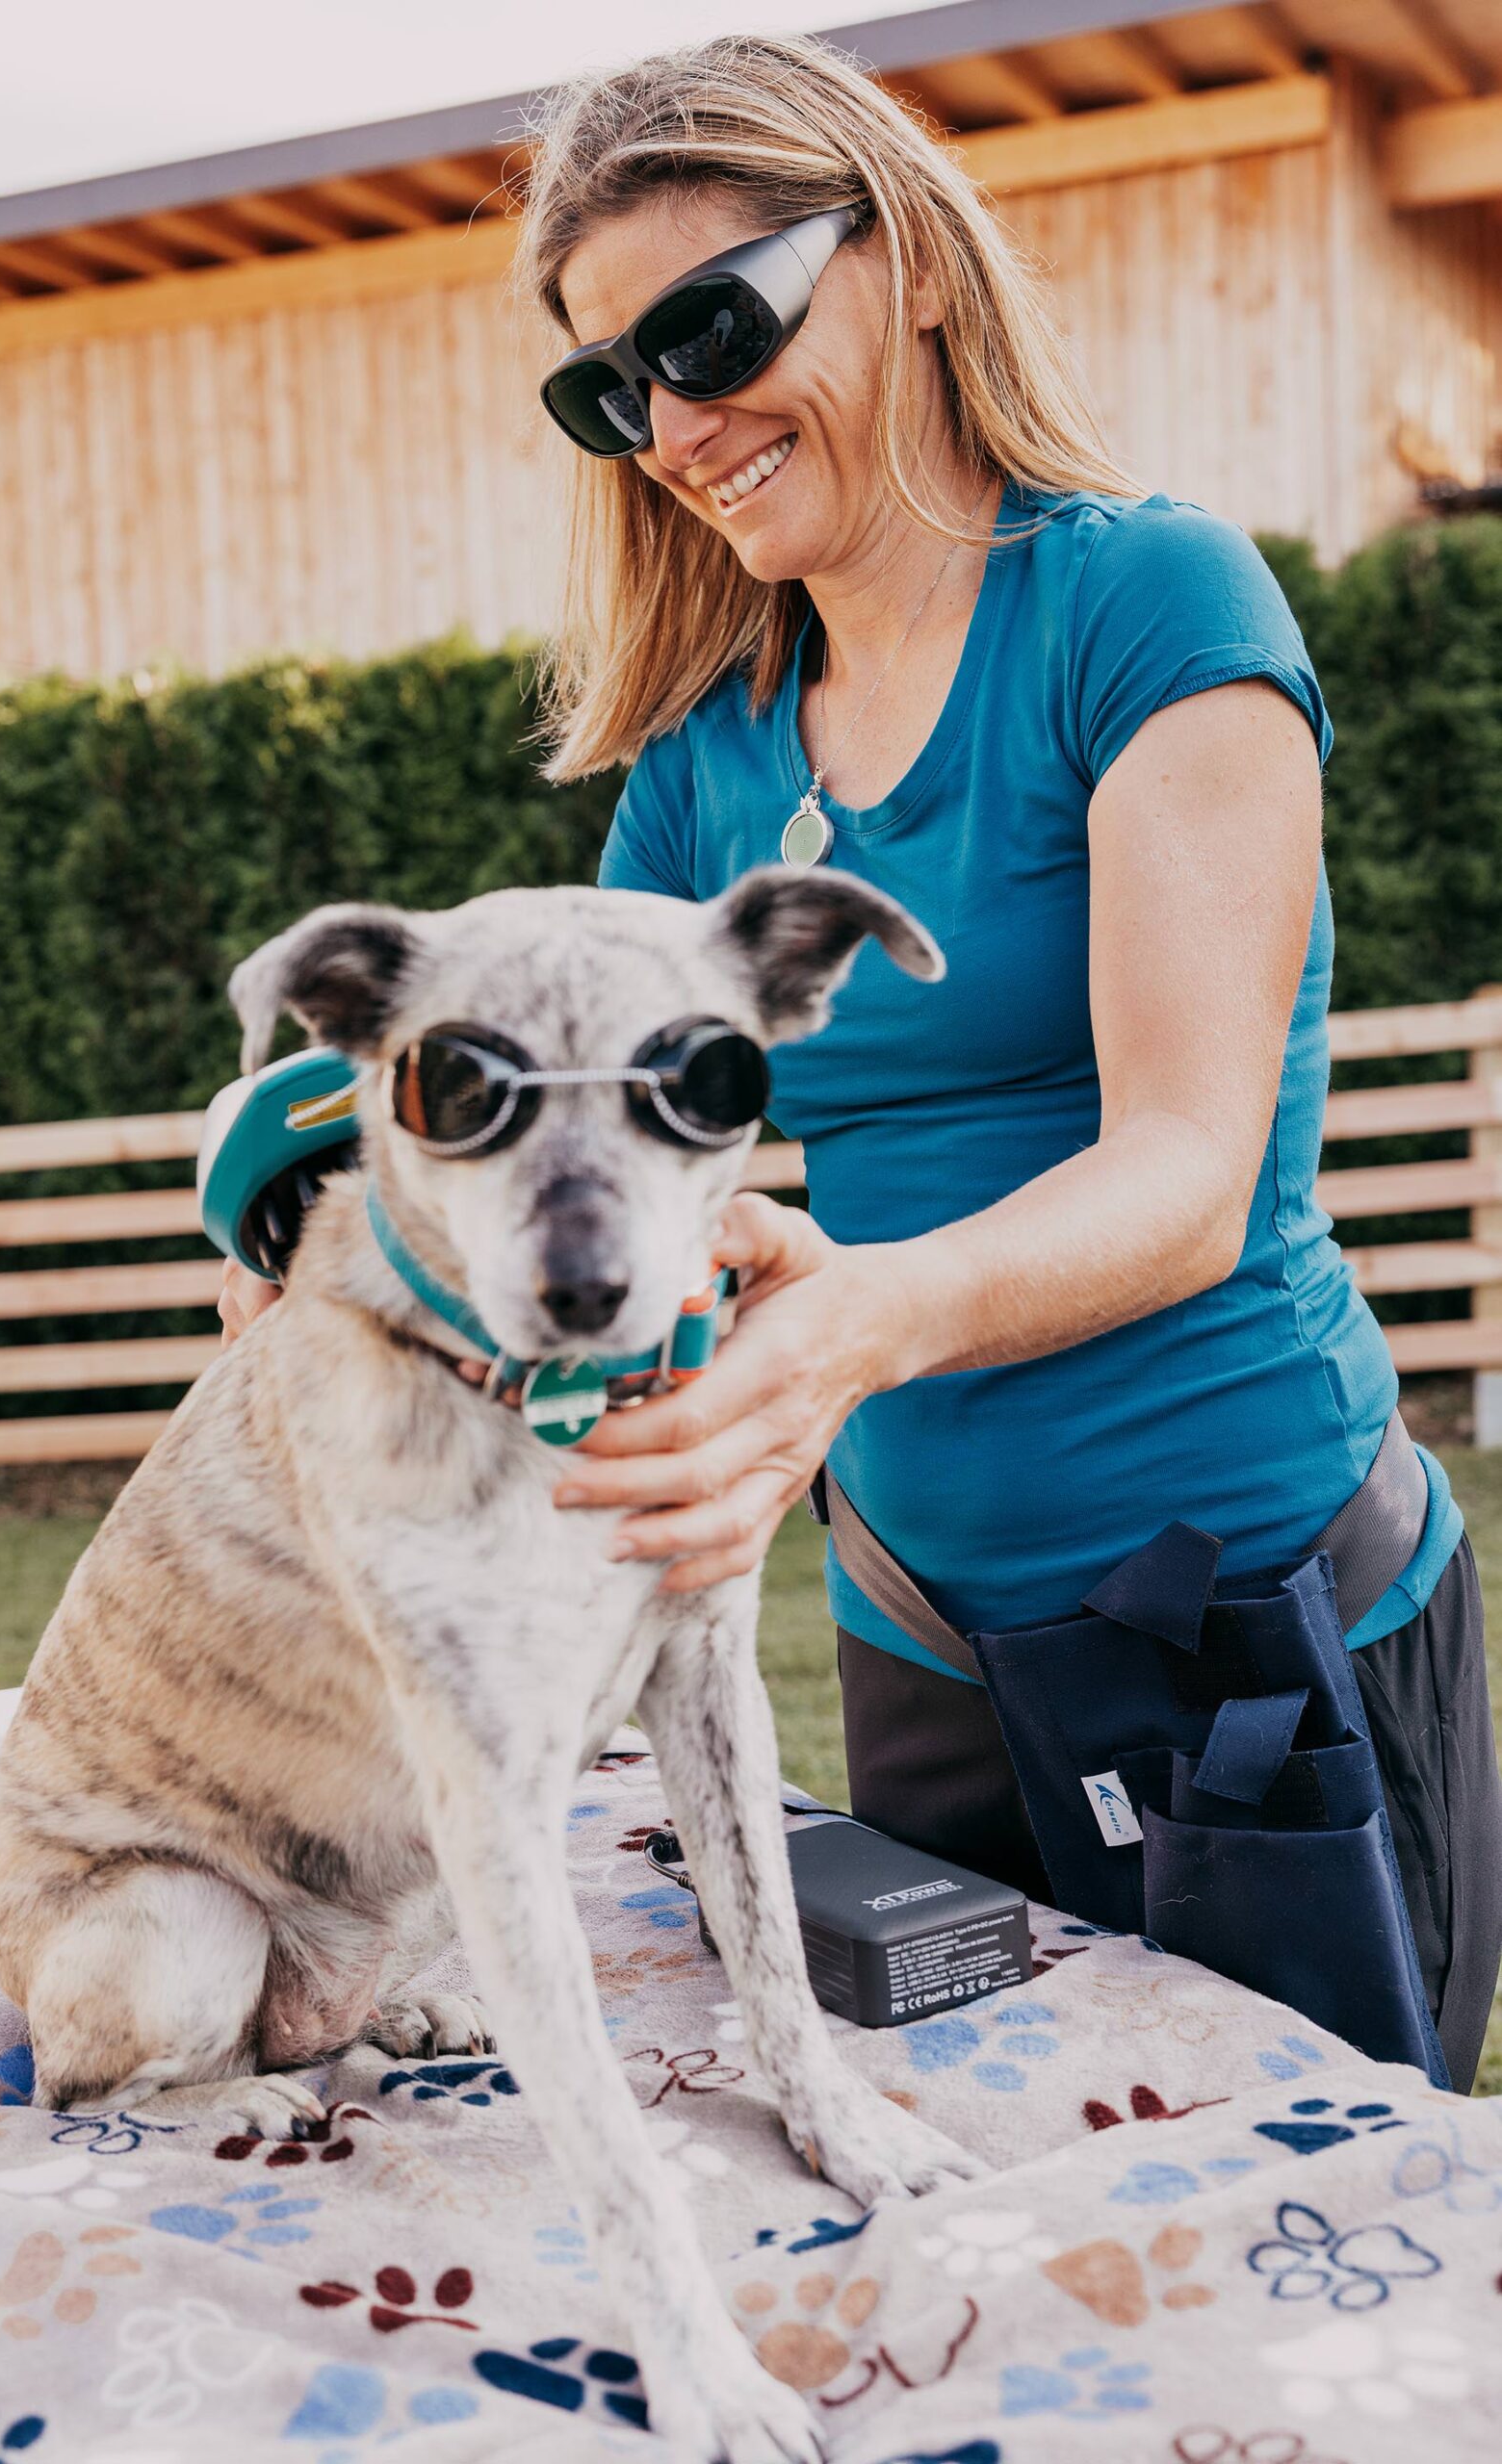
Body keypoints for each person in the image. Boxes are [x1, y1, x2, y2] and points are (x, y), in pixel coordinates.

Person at [222, 33, 1502, 2089]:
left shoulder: (1142, 603)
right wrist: (324, 1208)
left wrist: (843, 1333)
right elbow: (585, 1137)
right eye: (612, 388)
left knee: (1320, 2271)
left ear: (904, 255)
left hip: (1250, 1630)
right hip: (912, 1638)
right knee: (1002, 2258)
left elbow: (1186, 1169)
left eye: (710, 328)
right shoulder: (703, 765)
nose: (672, 422)